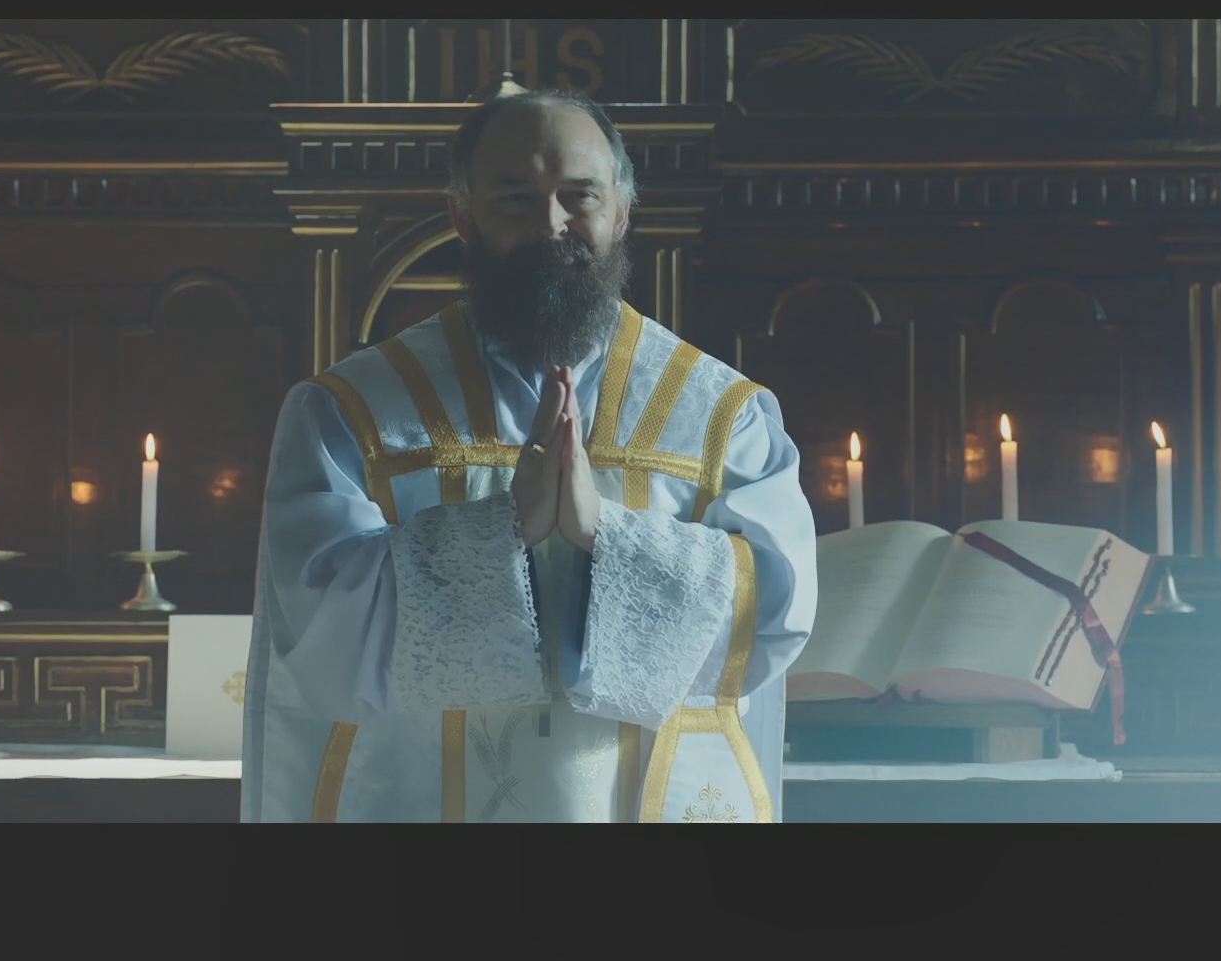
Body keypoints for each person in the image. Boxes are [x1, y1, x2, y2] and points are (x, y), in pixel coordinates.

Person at [240, 87, 817, 822]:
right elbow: (321, 627)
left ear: (621, 211)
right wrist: (503, 530)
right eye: (515, 200)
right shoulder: (349, 412)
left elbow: (774, 612)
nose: (551, 226)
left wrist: (604, 534)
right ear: (462, 216)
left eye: (580, 196)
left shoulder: (720, 416)